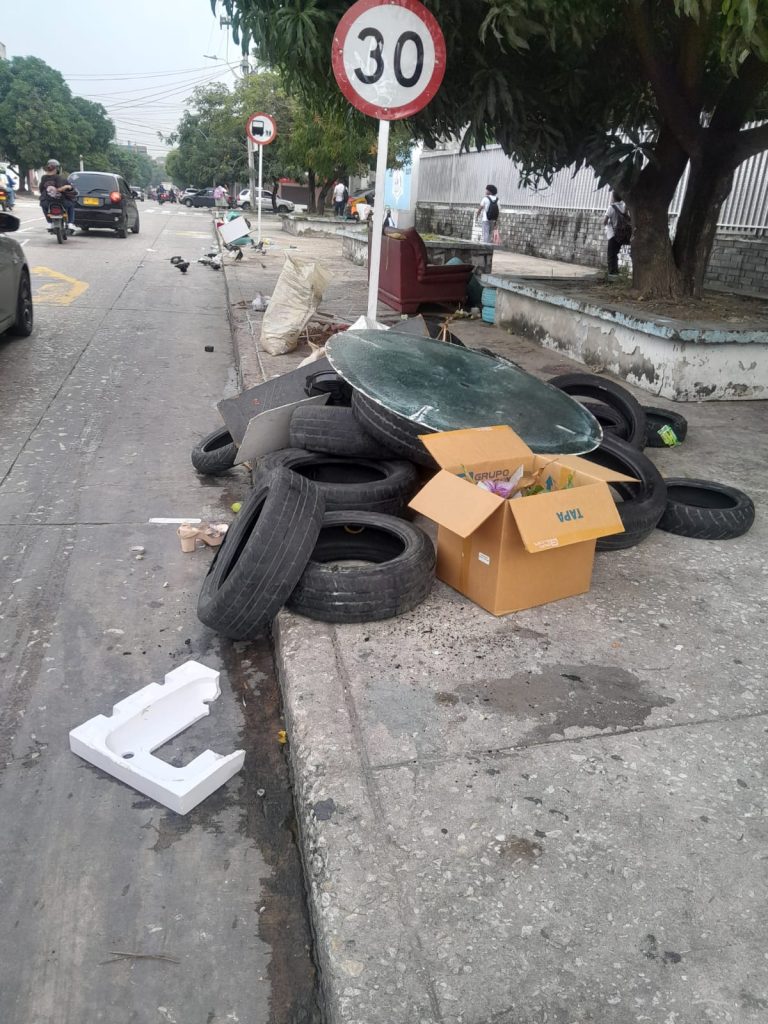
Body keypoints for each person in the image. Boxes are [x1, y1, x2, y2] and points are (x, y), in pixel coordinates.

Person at [39, 159, 77, 233]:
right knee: (71, 204)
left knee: (43, 205)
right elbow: (67, 188)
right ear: (57, 168)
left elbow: (41, 189)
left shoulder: (43, 178)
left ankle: (50, 223)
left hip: (48, 203)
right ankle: (70, 223)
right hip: (61, 202)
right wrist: (67, 187)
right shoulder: (61, 178)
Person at [604, 191, 631, 277]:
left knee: (611, 255)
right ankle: (615, 272)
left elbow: (604, 221)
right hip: (622, 235)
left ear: (613, 197)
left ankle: (612, 273)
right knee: (615, 253)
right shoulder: (624, 207)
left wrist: (608, 223)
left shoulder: (611, 207)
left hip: (613, 234)